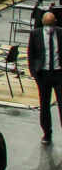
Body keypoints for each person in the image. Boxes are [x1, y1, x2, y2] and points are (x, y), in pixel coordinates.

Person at [28, 10, 61, 144]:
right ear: (42, 24)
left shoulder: (60, 33)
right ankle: (47, 133)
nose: (49, 29)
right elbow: (31, 54)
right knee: (44, 105)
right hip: (44, 74)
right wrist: (34, 74)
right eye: (47, 26)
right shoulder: (35, 34)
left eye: (51, 25)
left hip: (59, 73)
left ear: (55, 23)